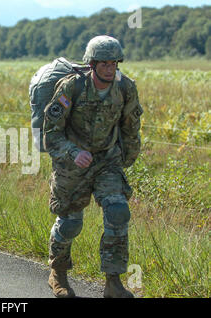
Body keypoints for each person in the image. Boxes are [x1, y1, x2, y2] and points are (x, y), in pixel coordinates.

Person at [43, 35, 143, 298]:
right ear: (92, 64)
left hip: (107, 160)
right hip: (72, 163)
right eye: (105, 64)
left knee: (118, 211)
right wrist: (73, 152)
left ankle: (113, 282)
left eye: (114, 63)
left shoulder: (125, 88)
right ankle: (58, 273)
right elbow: (51, 133)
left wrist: (124, 161)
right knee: (70, 223)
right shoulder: (71, 88)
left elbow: (131, 128)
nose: (110, 69)